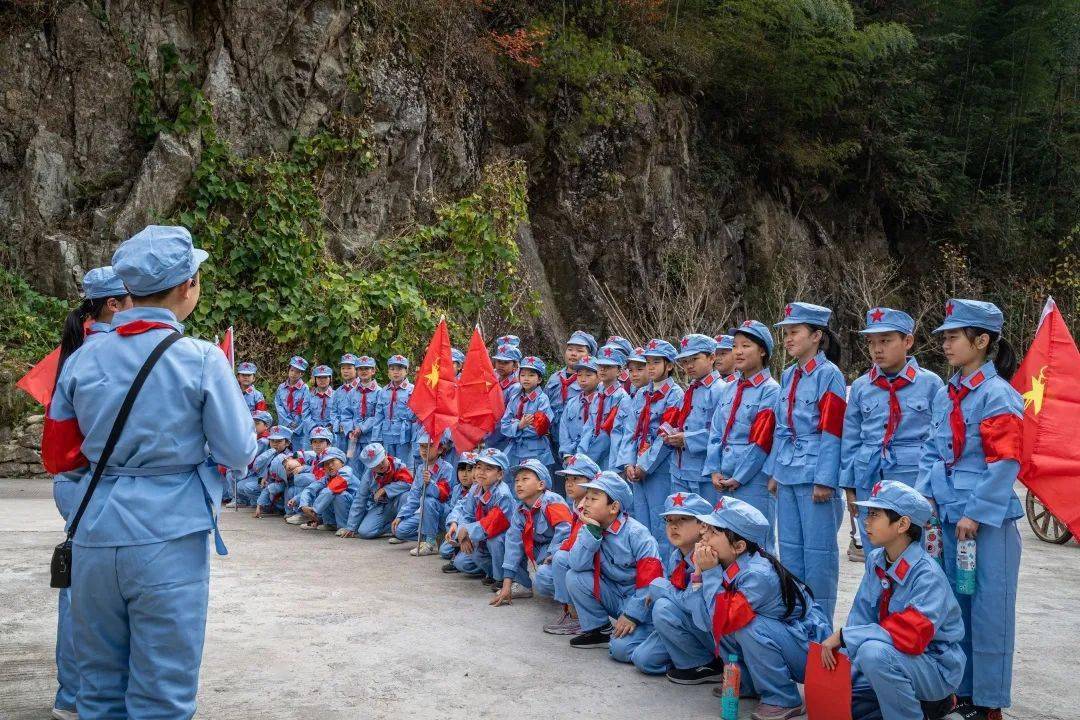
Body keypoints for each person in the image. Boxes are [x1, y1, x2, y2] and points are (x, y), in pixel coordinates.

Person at [42, 225, 257, 719]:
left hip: (95, 531)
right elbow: (238, 450)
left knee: (98, 690)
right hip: (169, 535)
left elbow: (58, 455)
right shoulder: (200, 359)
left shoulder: (81, 358)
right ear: (188, 287)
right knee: (162, 693)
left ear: (128, 290)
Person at [916, 299, 1022, 720]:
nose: (945, 344)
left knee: (989, 611)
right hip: (946, 513)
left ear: (982, 341)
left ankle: (989, 702)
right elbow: (930, 449)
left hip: (985, 521)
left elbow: (1005, 462)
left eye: (954, 337)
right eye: (944, 336)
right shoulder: (949, 392)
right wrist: (925, 496)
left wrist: (975, 513)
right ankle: (959, 691)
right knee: (954, 607)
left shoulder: (998, 395)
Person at [48, 264, 132, 720]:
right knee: (94, 594)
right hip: (91, 482)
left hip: (75, 481)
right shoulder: (109, 354)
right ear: (114, 306)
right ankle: (84, 698)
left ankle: (73, 694)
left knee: (80, 589)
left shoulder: (79, 350)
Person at [820, 481, 963, 720]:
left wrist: (846, 637)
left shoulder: (927, 575)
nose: (866, 520)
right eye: (868, 513)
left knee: (871, 653)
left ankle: (935, 705)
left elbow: (909, 633)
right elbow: (861, 615)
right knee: (841, 703)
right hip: (894, 658)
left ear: (902, 524)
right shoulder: (877, 559)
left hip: (933, 666)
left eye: (875, 514)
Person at [691, 497, 832, 720]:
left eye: (715, 532)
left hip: (810, 653)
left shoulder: (757, 575)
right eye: (707, 529)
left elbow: (721, 618)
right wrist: (700, 574)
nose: (704, 536)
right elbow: (706, 622)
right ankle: (747, 683)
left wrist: (708, 574)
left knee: (745, 625)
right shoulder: (726, 564)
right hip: (787, 640)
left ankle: (783, 698)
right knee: (728, 620)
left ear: (738, 546)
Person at [841, 308, 943, 556]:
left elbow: (939, 440)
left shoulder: (931, 384)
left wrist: (930, 488)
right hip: (869, 477)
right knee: (873, 548)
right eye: (872, 342)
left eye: (885, 341)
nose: (877, 349)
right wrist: (849, 484)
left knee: (913, 548)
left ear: (907, 341)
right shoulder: (862, 387)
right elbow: (850, 438)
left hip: (912, 478)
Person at [769, 302, 847, 619]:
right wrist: (774, 471)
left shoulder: (830, 375)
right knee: (790, 553)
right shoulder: (789, 375)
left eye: (794, 332)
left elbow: (833, 430)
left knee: (818, 558)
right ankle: (797, 624)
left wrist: (825, 478)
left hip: (815, 473)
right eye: (786, 333)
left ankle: (819, 630)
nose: (788, 339)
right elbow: (780, 427)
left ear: (817, 336)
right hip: (788, 471)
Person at [616, 492, 716, 680]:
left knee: (663, 606)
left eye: (683, 519)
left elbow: (701, 610)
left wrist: (659, 588)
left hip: (708, 629)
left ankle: (705, 664)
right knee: (642, 659)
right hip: (683, 623)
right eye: (669, 520)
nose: (674, 526)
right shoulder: (677, 556)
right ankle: (684, 655)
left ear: (703, 526)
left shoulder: (709, 558)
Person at [563, 471, 663, 649]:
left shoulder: (637, 534)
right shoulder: (589, 527)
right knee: (574, 576)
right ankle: (599, 630)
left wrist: (633, 614)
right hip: (615, 597)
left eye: (593, 499)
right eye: (586, 498)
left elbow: (650, 582)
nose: (585, 503)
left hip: (639, 602)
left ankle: (651, 638)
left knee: (620, 650)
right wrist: (592, 533)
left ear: (614, 507)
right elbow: (576, 564)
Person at [704, 320, 780, 549]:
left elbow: (761, 440)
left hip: (752, 480)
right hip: (724, 477)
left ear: (763, 350)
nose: (738, 351)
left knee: (756, 544)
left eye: (745, 345)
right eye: (735, 345)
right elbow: (716, 431)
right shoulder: (730, 388)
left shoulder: (770, 390)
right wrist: (715, 469)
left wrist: (739, 476)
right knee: (725, 542)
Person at [617, 339, 684, 554]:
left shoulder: (676, 395)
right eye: (648, 362)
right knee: (640, 522)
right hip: (636, 467)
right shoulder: (640, 394)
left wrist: (644, 466)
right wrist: (628, 462)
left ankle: (663, 572)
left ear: (670, 365)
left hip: (658, 469)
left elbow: (666, 435)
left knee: (660, 522)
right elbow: (630, 430)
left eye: (656, 362)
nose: (651, 367)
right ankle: (645, 570)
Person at [491, 459, 574, 607]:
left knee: (542, 578)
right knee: (506, 541)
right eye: (516, 480)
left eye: (525, 479)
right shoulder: (520, 509)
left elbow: (565, 531)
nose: (518, 484)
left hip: (559, 553)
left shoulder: (552, 501)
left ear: (541, 485)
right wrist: (507, 584)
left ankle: (573, 599)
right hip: (539, 551)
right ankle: (522, 584)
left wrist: (553, 554)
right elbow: (513, 544)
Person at [538, 453, 602, 635]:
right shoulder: (577, 504)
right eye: (567, 478)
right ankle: (572, 608)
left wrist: (560, 552)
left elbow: (581, 543)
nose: (569, 483)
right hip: (585, 560)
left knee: (561, 560)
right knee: (544, 575)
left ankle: (576, 615)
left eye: (576, 478)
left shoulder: (591, 507)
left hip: (600, 567)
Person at [667, 333, 725, 505]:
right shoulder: (690, 389)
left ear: (711, 357)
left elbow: (722, 433)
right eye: (684, 361)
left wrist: (688, 439)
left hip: (704, 473)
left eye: (695, 359)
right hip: (680, 468)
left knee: (705, 524)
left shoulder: (721, 390)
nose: (689, 365)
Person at [451, 448, 518, 584]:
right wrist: (463, 534)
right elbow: (467, 514)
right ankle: (492, 571)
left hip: (503, 537)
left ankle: (501, 578)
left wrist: (468, 530)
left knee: (495, 541)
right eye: (478, 467)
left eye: (488, 469)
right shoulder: (475, 488)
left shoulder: (502, 494)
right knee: (462, 562)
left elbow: (493, 523)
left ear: (500, 474)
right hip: (481, 534)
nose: (481, 472)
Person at [390, 428, 455, 555]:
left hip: (442, 511)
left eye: (429, 446)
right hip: (425, 512)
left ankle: (429, 542)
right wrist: (401, 515)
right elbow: (413, 496)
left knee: (428, 500)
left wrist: (430, 483)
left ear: (440, 449)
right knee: (400, 530)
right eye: (422, 446)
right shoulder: (421, 468)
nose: (424, 450)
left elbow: (443, 495)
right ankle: (432, 534)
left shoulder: (447, 468)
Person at [339, 442, 414, 539]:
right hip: (382, 506)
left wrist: (385, 489)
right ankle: (392, 528)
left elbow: (409, 483)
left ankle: (402, 530)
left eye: (382, 461)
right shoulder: (368, 476)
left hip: (399, 503)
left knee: (406, 496)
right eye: (376, 465)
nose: (380, 466)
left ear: (386, 454)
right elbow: (360, 500)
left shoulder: (398, 466)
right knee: (364, 532)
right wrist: (351, 527)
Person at [499, 355, 555, 478]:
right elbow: (504, 425)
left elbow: (539, 429)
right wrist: (520, 425)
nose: (526, 379)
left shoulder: (542, 400)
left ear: (539, 379)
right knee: (514, 482)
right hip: (514, 449)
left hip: (535, 450)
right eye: (523, 375)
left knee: (534, 482)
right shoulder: (515, 398)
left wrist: (515, 427)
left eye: (531, 375)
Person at [545, 330, 597, 452]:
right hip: (552, 438)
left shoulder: (593, 382)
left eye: (580, 351)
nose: (573, 354)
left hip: (579, 439)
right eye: (570, 349)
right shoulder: (555, 378)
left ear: (589, 355)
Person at [581, 344, 631, 471]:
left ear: (620, 371)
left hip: (610, 458)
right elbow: (589, 426)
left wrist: (589, 458)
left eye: (608, 367)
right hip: (591, 454)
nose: (602, 370)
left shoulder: (622, 399)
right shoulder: (598, 395)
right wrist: (581, 453)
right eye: (600, 366)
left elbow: (612, 434)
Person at [296, 448, 355, 530]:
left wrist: (315, 510)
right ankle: (330, 523)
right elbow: (309, 489)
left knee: (337, 494)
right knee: (321, 490)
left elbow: (332, 489)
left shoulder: (346, 471)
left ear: (342, 462)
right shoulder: (327, 478)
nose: (330, 465)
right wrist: (304, 505)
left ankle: (344, 527)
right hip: (345, 510)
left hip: (356, 512)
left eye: (333, 461)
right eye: (326, 463)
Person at [558, 353, 601, 462]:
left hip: (596, 458)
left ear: (599, 377)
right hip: (572, 458)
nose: (583, 379)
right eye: (580, 374)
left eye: (588, 375)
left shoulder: (602, 402)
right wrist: (567, 454)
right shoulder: (572, 402)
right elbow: (564, 429)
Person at [442, 451, 479, 570]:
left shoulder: (478, 488)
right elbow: (456, 508)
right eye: (462, 470)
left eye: (470, 470)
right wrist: (453, 522)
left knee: (462, 563)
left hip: (475, 531)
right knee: (444, 551)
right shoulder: (457, 489)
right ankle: (458, 549)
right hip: (462, 527)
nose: (465, 474)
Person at [373, 355, 414, 462]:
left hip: (405, 435)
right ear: (388, 372)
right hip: (387, 434)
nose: (396, 372)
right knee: (388, 464)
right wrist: (376, 438)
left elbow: (416, 416)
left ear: (406, 371)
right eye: (392, 369)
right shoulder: (383, 391)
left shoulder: (412, 390)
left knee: (404, 466)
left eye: (400, 369)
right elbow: (379, 416)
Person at [488, 342, 522, 450]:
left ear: (515, 366)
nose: (501, 365)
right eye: (498, 361)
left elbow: (507, 416)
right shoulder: (493, 380)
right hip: (488, 431)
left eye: (506, 362)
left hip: (502, 437)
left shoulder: (515, 387)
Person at [274, 356, 310, 441]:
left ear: (302, 374)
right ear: (288, 370)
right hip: (284, 423)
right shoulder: (281, 387)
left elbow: (304, 406)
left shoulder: (305, 388)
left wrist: (296, 423)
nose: (293, 374)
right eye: (292, 370)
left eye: (297, 372)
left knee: (297, 448)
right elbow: (278, 405)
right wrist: (288, 422)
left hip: (299, 425)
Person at [301, 365, 334, 450]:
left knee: (329, 458)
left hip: (330, 432)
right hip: (311, 432)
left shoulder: (337, 395)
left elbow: (339, 413)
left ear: (330, 378)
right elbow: (305, 413)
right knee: (310, 457)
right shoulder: (308, 395)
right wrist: (314, 428)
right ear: (315, 379)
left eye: (325, 377)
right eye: (319, 377)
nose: (322, 380)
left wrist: (331, 426)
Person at [330, 354, 359, 451]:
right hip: (340, 434)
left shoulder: (361, 389)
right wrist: (337, 424)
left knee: (353, 460)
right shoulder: (338, 391)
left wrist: (350, 427)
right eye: (343, 368)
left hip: (355, 433)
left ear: (356, 370)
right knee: (340, 460)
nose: (345, 371)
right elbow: (333, 411)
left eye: (349, 368)